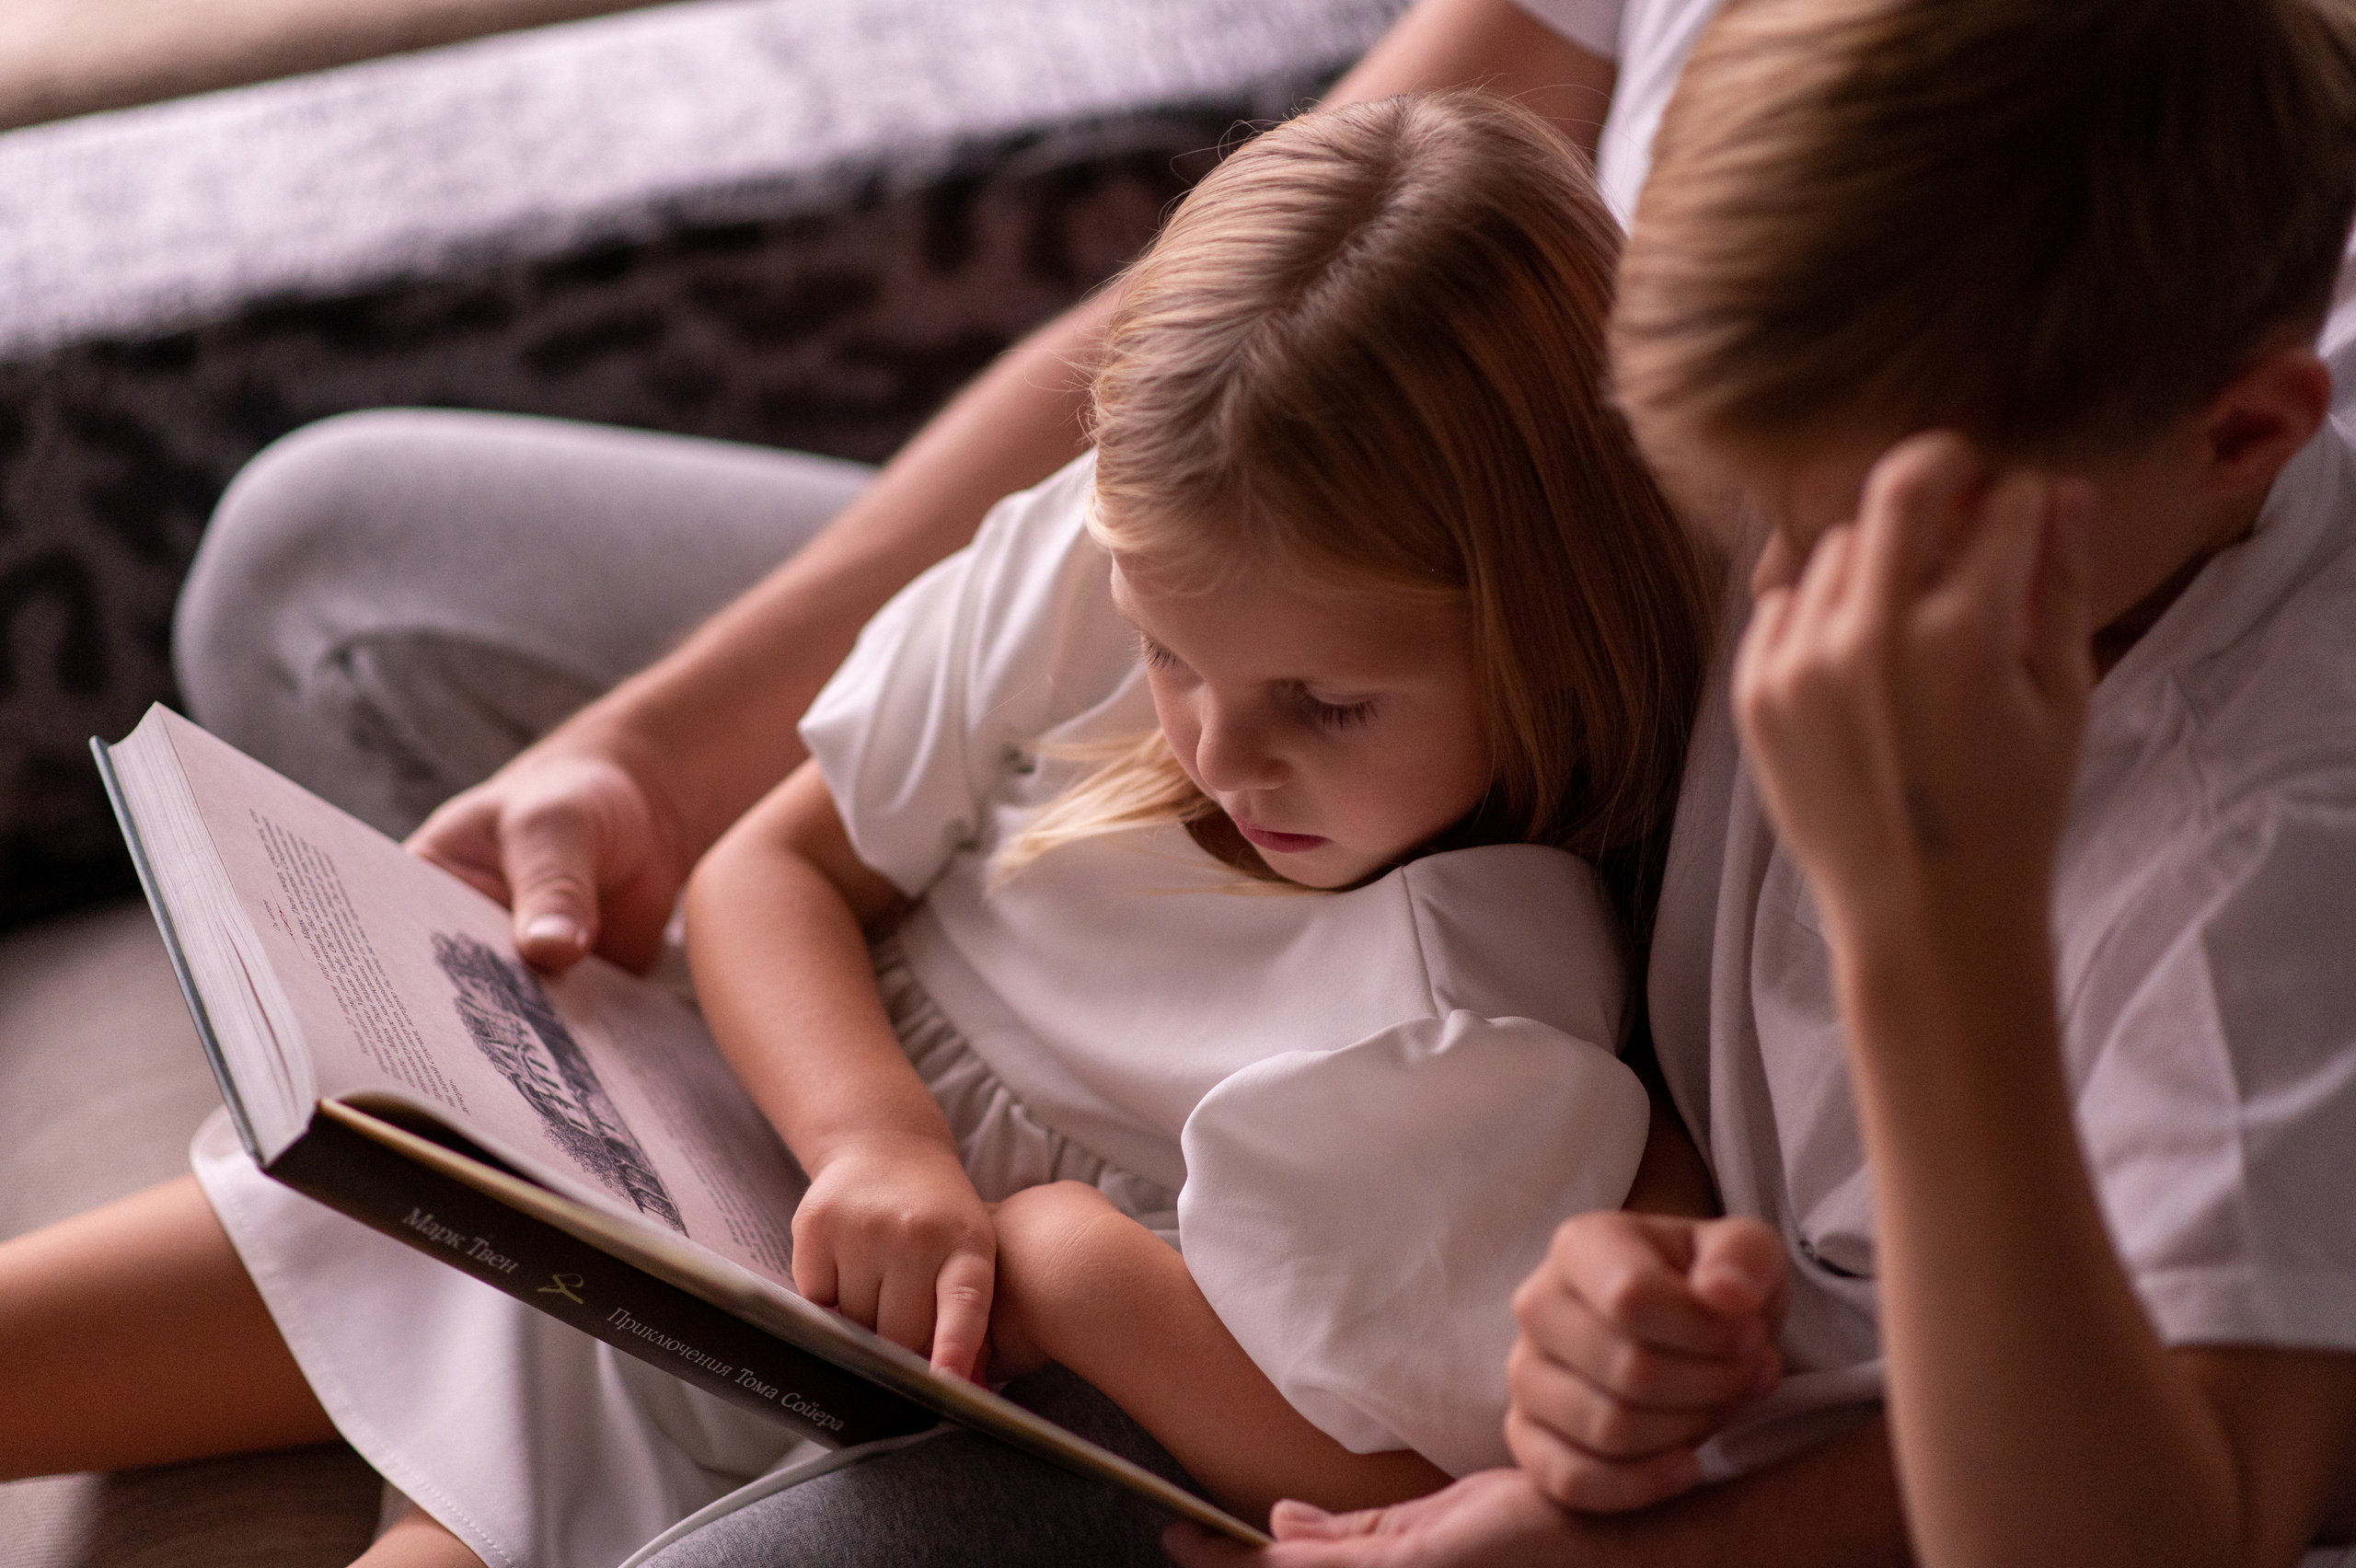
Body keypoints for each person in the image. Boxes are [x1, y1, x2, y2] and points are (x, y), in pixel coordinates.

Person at [1, 92, 1727, 1568]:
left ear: (1546, 625)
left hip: (864, 1385)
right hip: (687, 1140)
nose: (1215, 749)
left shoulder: (1480, 1006)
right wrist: (873, 1142)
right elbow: (773, 867)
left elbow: (1396, 1478)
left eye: (1326, 708)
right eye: (1169, 654)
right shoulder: (1102, 559)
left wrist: (1063, 1270)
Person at [1162, 0, 2356, 1564]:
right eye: (1735, 489)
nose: (1780, 600)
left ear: (2241, 432)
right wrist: (1631, 1266)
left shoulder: (2262, 862)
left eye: (1867, 531)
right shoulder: (1837, 372)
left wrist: (1930, 923)